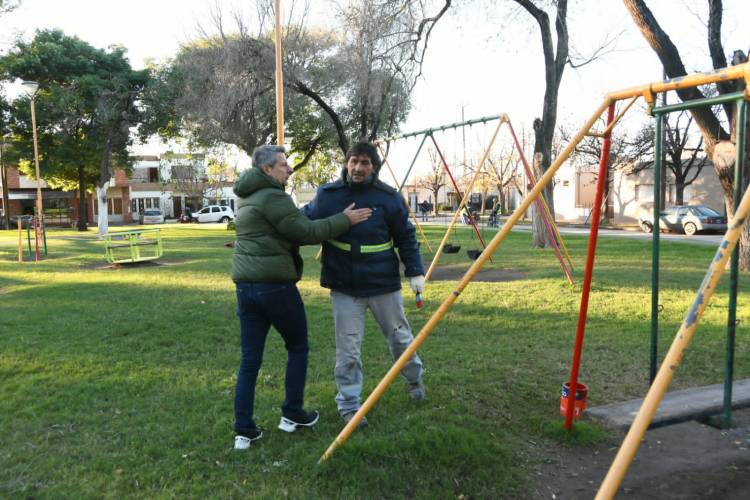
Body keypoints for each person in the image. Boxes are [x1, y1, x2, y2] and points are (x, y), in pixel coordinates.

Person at [231, 144, 372, 450]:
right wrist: (345, 220)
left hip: (245, 288)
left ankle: (243, 430)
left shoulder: (247, 196)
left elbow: (286, 226)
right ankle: (292, 413)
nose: (289, 168)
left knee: (250, 360)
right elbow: (306, 232)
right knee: (298, 347)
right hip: (275, 287)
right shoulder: (273, 197)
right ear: (267, 169)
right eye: (283, 165)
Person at [302, 141, 426, 428]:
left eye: (365, 163)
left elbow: (406, 237)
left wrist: (414, 271)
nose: (358, 168)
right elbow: (302, 223)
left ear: (374, 167)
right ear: (346, 163)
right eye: (354, 161)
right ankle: (349, 405)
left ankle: (415, 379)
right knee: (348, 349)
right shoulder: (328, 196)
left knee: (400, 338)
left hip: (383, 283)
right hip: (344, 284)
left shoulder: (389, 198)